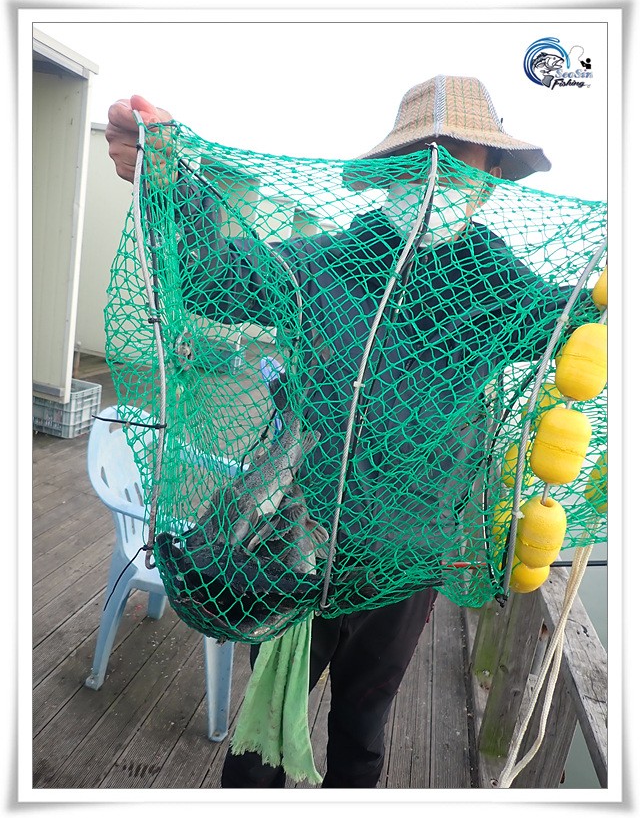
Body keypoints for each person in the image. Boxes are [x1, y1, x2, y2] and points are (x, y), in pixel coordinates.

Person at [105, 75, 595, 788]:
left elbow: (579, 322)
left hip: (408, 563)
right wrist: (169, 183)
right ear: (389, 171)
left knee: (362, 733)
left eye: (458, 159)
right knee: (262, 733)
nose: (435, 176)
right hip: (298, 546)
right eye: (418, 156)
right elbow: (211, 277)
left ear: (490, 179)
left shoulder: (500, 289)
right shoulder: (328, 262)